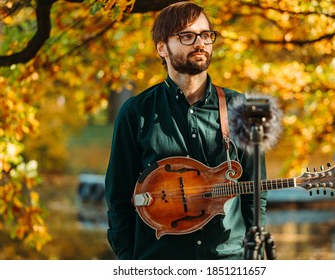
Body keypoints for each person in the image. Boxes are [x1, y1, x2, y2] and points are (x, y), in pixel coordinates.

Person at [105, 1, 267, 260]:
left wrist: (251, 257)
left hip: (228, 260)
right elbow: (118, 199)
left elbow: (255, 192)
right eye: (187, 36)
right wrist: (128, 261)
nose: (200, 43)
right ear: (162, 48)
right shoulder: (136, 113)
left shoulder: (241, 109)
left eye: (206, 35)